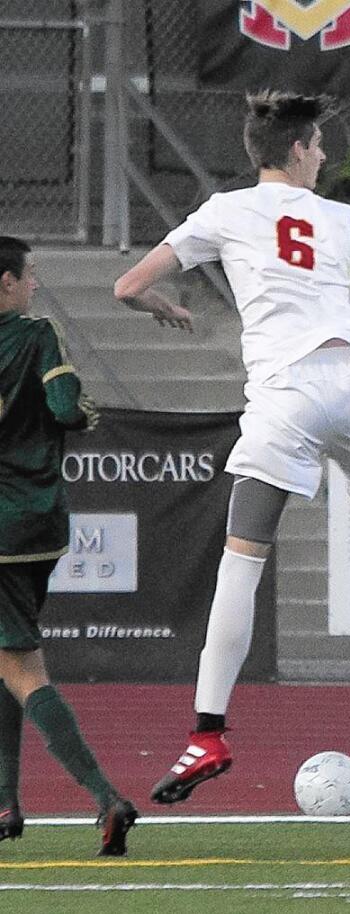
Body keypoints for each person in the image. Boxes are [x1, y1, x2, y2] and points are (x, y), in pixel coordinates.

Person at [113, 92, 350, 803]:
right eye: (318, 145)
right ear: (297, 150)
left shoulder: (227, 211)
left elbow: (127, 284)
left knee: (242, 557)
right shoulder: (344, 220)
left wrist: (162, 305)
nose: (324, 155)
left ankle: (209, 732)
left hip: (289, 390)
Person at [0, 236, 138, 855]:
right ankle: (7, 803)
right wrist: (79, 414)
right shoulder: (36, 336)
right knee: (8, 654)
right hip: (40, 525)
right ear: (5, 282)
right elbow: (64, 406)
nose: (35, 285)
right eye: (29, 275)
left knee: (21, 668)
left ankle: (104, 795)